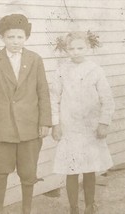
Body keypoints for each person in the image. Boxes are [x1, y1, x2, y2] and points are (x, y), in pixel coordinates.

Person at [0, 14, 52, 214]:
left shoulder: (35, 59)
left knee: (28, 173)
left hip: (30, 127)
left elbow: (43, 91)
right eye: (10, 37)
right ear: (2, 37)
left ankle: (26, 210)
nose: (15, 42)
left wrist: (45, 121)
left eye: (20, 37)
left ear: (26, 37)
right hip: (3, 127)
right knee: (0, 171)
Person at [51, 31, 115, 214]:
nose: (76, 52)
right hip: (69, 127)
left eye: (80, 48)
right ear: (66, 50)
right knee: (71, 170)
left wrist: (104, 122)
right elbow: (54, 97)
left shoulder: (95, 70)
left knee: (89, 168)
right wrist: (56, 124)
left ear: (87, 48)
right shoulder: (61, 70)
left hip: (90, 128)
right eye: (71, 48)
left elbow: (107, 99)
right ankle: (73, 208)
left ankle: (89, 205)